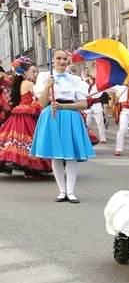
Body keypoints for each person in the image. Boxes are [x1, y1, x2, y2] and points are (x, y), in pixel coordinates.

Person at [31, 50, 98, 203]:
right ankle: (62, 191)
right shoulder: (44, 77)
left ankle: (71, 191)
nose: (62, 61)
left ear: (68, 61)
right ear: (52, 60)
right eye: (58, 58)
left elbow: (83, 103)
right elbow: (42, 104)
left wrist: (63, 106)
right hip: (51, 115)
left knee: (70, 154)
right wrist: (48, 86)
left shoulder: (75, 80)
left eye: (64, 58)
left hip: (70, 115)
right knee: (56, 154)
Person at [0, 63, 48, 178]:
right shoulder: (30, 83)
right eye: (33, 71)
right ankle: (30, 169)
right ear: (25, 72)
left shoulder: (21, 83)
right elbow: (38, 99)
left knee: (17, 141)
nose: (35, 74)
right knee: (30, 140)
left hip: (20, 113)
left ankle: (27, 169)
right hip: (27, 114)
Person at [82, 68, 108, 144]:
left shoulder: (98, 83)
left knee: (100, 122)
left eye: (88, 71)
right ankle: (86, 137)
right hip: (88, 105)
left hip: (97, 104)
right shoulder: (83, 83)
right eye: (86, 71)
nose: (87, 73)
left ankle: (103, 138)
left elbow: (105, 90)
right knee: (87, 122)